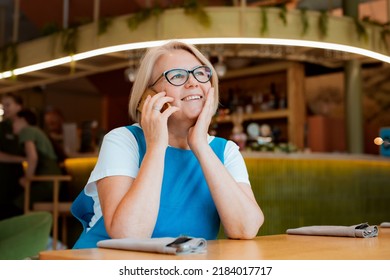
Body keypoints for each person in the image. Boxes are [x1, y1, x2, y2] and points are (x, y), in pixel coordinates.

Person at [71, 41, 264, 249]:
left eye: (201, 73)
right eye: (177, 75)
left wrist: (200, 144)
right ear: (149, 95)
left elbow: (246, 228)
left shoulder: (226, 151)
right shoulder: (123, 141)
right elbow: (128, 234)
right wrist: (156, 147)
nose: (193, 82)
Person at [12, 109, 62, 205]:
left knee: (17, 205)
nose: (12, 125)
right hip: (53, 180)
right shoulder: (36, 130)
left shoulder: (27, 130)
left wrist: (27, 179)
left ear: (22, 120)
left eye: (14, 121)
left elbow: (33, 157)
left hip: (46, 180)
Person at [0, 93, 24, 220]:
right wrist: (23, 159)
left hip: (19, 178)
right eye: (3, 106)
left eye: (8, 105)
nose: (5, 108)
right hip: (3, 180)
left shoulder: (27, 127)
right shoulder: (2, 127)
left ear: (19, 106)